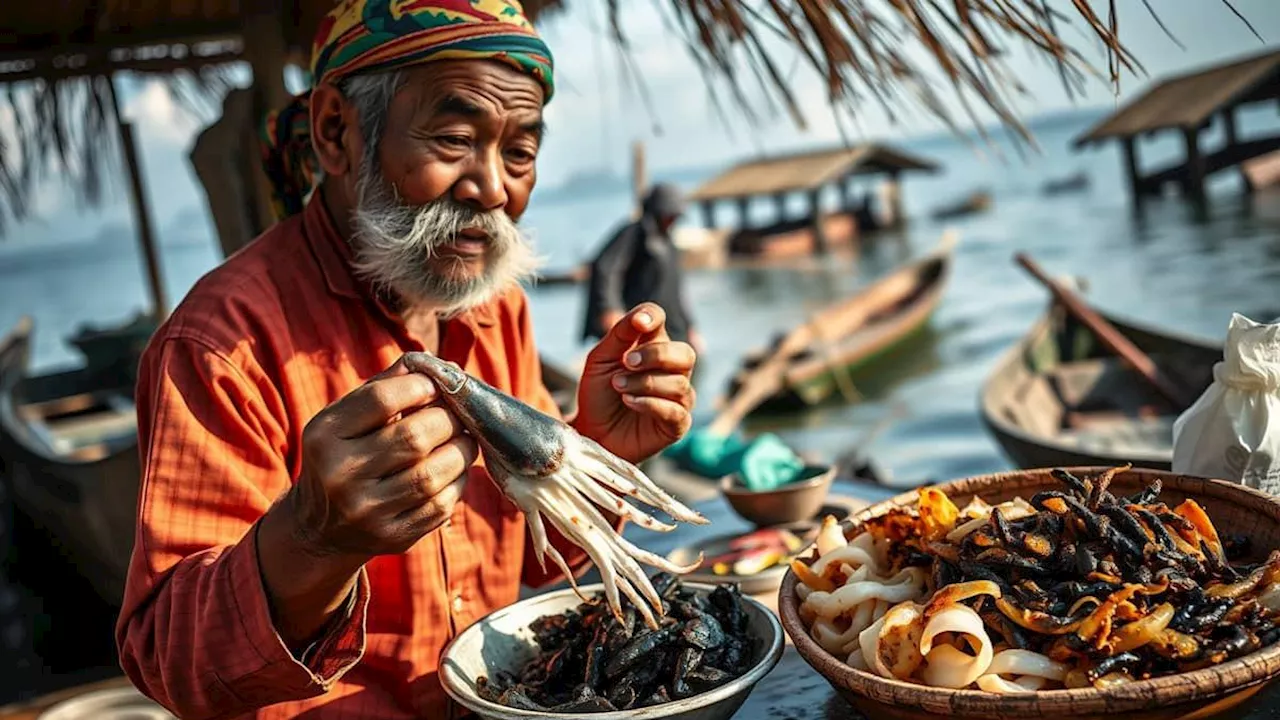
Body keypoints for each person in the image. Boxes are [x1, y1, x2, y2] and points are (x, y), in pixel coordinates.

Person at [113, 2, 696, 718]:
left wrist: (600, 454)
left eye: (519, 152)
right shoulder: (222, 344)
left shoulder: (492, 306)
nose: (491, 188)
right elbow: (173, 667)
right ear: (337, 132)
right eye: (453, 138)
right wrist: (312, 539)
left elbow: (532, 563)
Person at [581, 182, 704, 353]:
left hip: (673, 330)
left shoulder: (669, 244)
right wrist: (611, 308)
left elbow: (677, 291)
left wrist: (691, 326)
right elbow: (606, 268)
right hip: (641, 328)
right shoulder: (634, 234)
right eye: (669, 215)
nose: (672, 220)